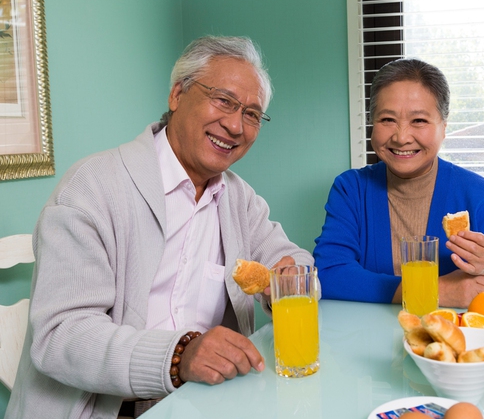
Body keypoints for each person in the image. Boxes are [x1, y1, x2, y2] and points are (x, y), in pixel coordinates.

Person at [6, 36, 314, 419]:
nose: (235, 125)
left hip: (207, 400)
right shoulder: (91, 187)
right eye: (223, 100)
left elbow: (295, 262)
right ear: (177, 95)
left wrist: (290, 276)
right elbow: (61, 336)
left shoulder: (239, 198)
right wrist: (180, 355)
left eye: (252, 114)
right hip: (109, 407)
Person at [313, 58, 484, 309]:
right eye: (387, 120)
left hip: (455, 344)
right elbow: (328, 275)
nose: (401, 137)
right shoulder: (351, 189)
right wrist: (430, 291)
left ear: (443, 127)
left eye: (419, 121)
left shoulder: (481, 197)